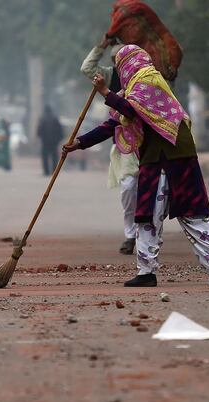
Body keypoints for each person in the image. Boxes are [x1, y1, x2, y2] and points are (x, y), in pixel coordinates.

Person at [64, 45, 209, 288]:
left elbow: (130, 110)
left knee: (190, 213)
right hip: (158, 157)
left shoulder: (149, 82)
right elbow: (113, 124)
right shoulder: (131, 90)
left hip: (173, 155)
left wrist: (104, 92)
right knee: (148, 216)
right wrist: (79, 143)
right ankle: (147, 271)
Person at [81, 34, 138, 255]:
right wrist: (102, 46)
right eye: (116, 59)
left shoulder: (143, 76)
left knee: (156, 192)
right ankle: (130, 235)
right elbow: (87, 68)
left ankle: (149, 236)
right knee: (128, 187)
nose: (119, 64)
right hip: (124, 141)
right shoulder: (109, 76)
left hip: (149, 142)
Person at [36, 105, 63, 176]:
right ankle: (54, 171)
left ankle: (46, 171)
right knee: (54, 157)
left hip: (45, 142)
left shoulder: (42, 119)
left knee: (45, 157)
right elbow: (60, 130)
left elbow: (39, 130)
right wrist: (59, 139)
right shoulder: (55, 118)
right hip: (54, 142)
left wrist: (40, 136)